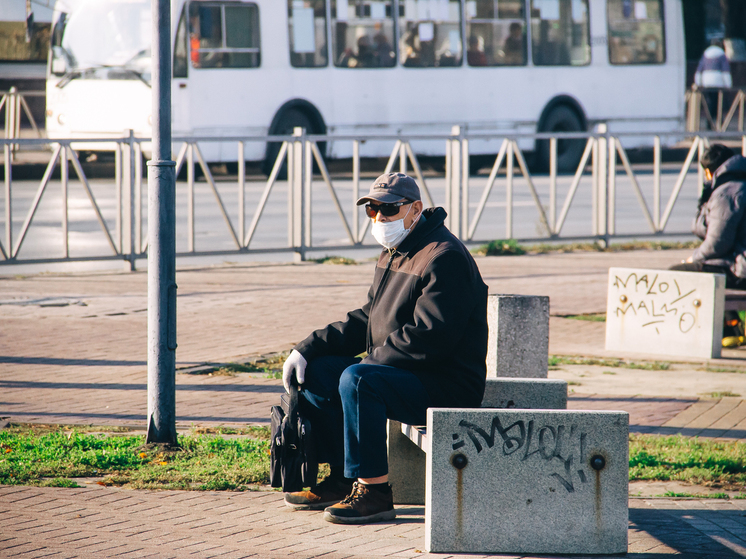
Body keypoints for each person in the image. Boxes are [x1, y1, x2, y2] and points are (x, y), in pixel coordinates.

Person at [281, 173, 488, 524]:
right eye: (372, 210)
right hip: (407, 373)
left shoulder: (443, 256)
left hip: (446, 383)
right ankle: (341, 480)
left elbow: (429, 337)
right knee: (320, 370)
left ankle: (374, 491)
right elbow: (368, 318)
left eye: (388, 209)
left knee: (358, 380)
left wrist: (365, 367)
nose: (378, 218)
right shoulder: (397, 251)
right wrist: (307, 348)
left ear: (416, 209)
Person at [670, 144, 746, 342]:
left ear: (708, 171)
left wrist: (692, 258)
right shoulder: (739, 183)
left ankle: (726, 330)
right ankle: (731, 326)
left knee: (678, 273)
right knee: (708, 268)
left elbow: (718, 243)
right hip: (737, 261)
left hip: (741, 269)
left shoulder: (727, 192)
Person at [694, 38, 733, 129]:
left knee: (709, 102)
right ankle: (720, 122)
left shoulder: (705, 54)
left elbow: (699, 69)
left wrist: (698, 82)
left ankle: (709, 122)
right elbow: (725, 71)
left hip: (706, 82)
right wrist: (728, 84)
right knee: (718, 103)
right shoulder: (722, 55)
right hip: (718, 82)